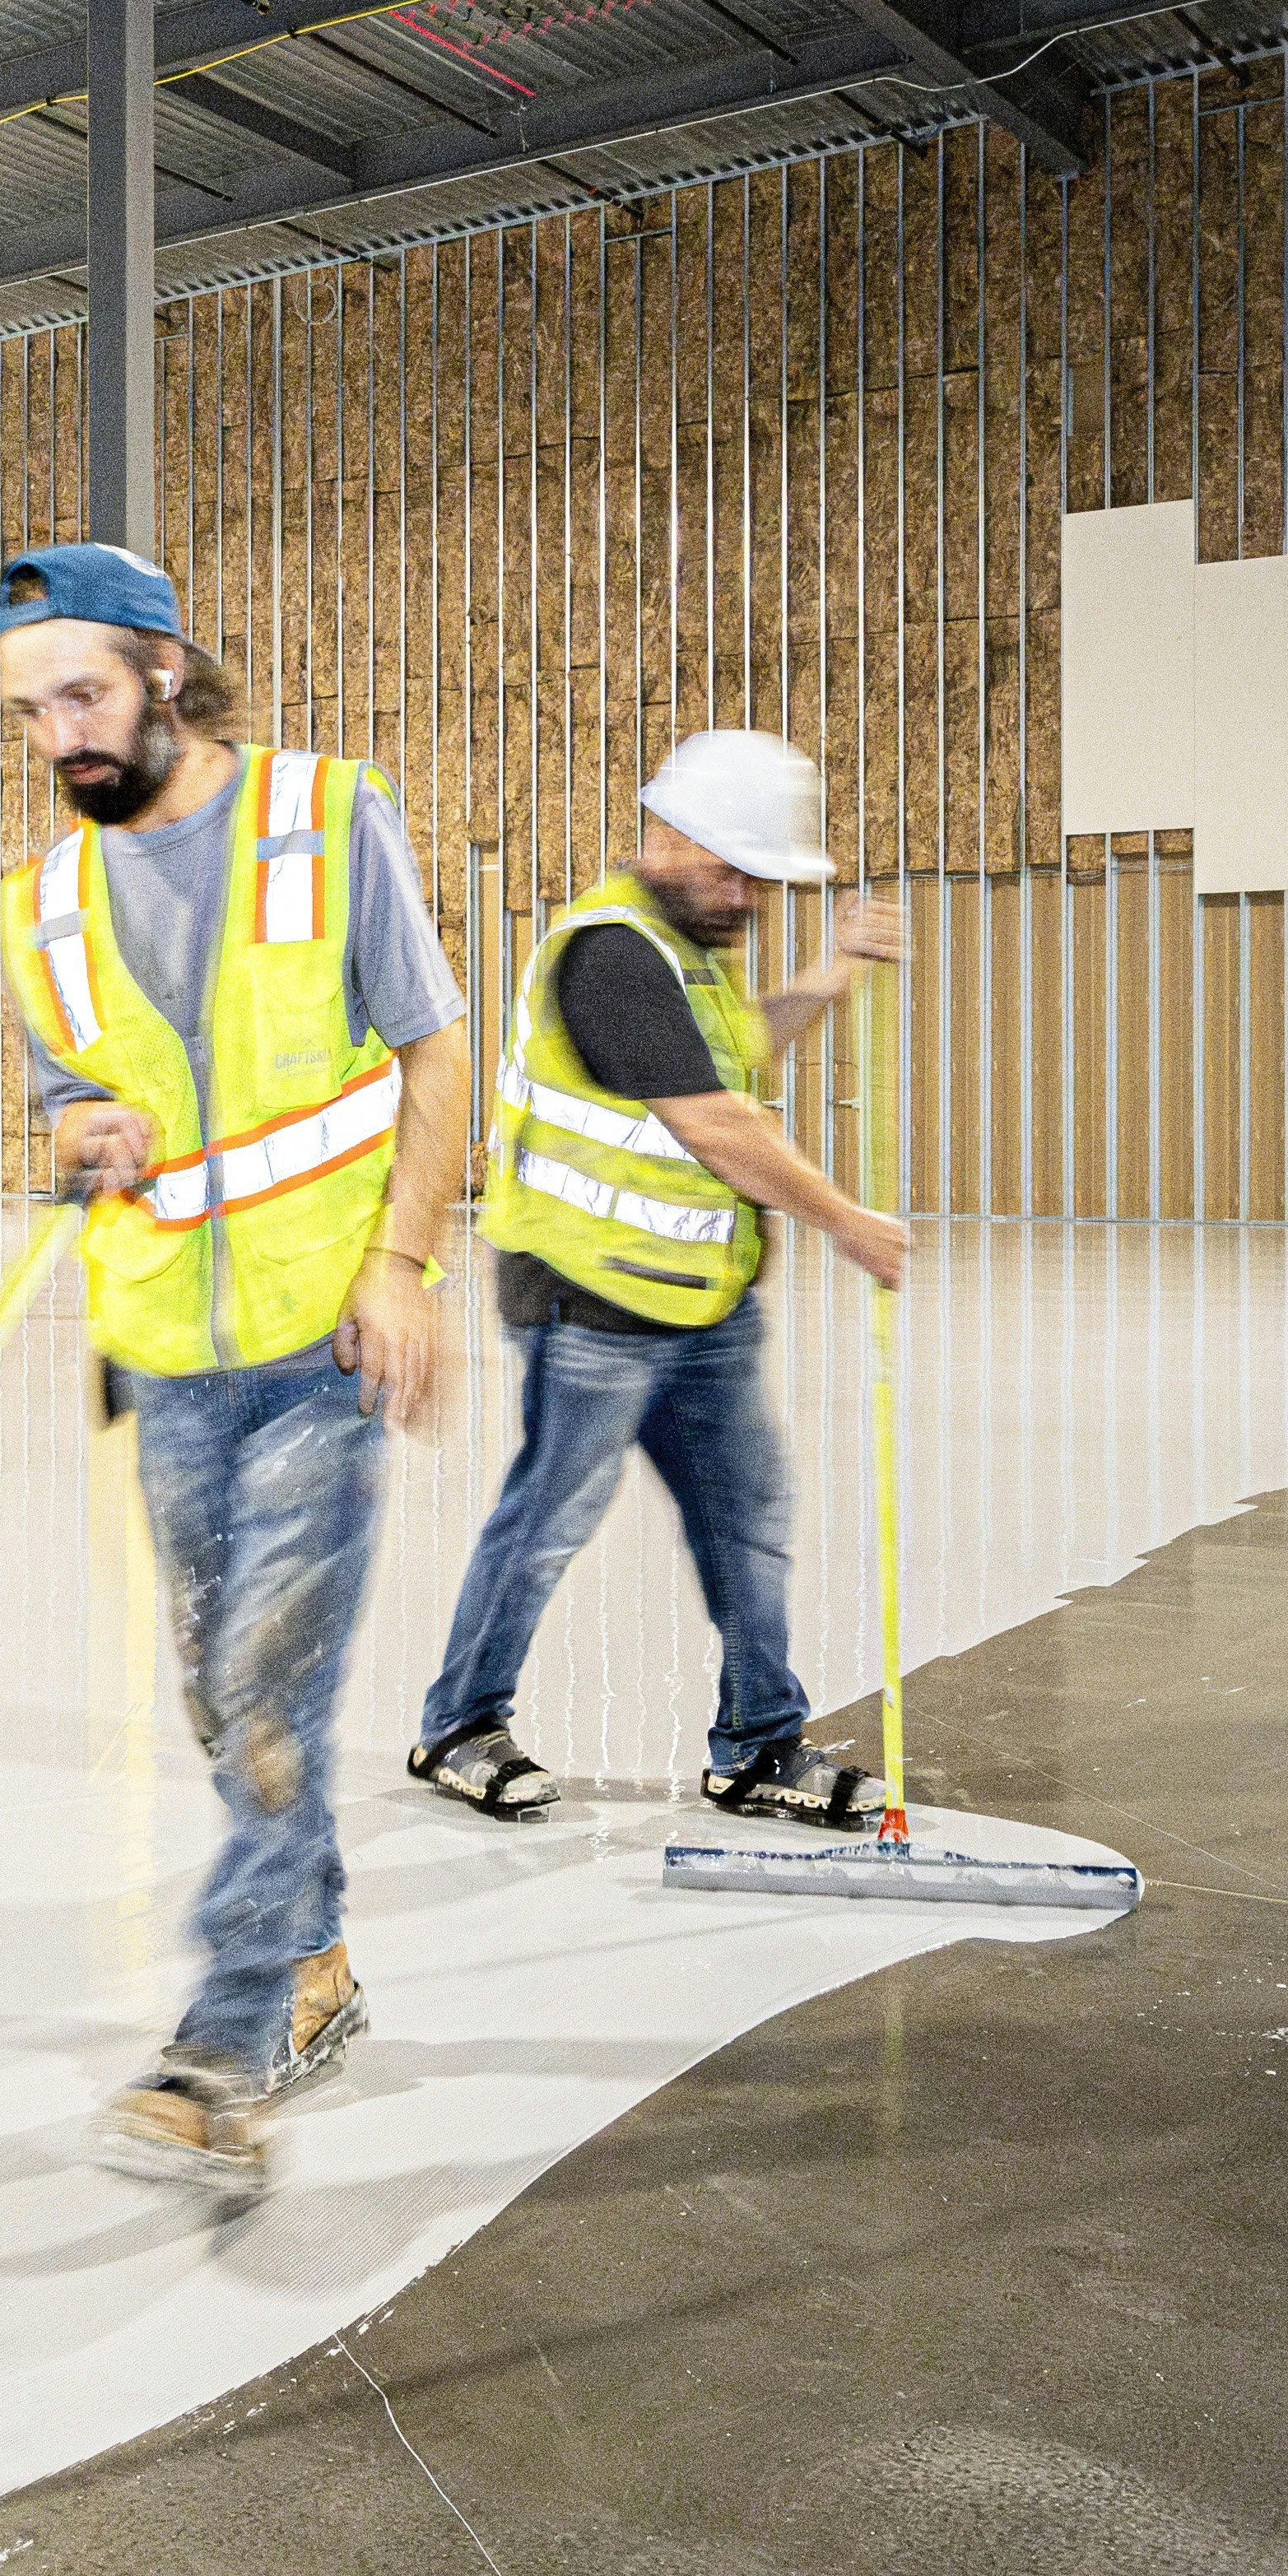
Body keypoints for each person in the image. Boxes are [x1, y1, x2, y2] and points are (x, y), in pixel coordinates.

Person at [0, 542, 471, 2202]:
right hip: (161, 1357)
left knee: (269, 1688)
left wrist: (402, 1264)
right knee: (218, 1691)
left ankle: (227, 2036)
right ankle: (316, 1955)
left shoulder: (327, 818)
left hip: (317, 1337)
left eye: (84, 694)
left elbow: (431, 1042)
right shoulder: (42, 896)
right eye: (31, 710)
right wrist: (75, 1127)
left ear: (165, 671)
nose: (62, 735)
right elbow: (64, 1085)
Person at [400, 728, 912, 1833]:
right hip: (590, 1298)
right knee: (549, 1518)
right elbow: (716, 1124)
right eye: (728, 869)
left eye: (760, 878)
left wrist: (825, 978)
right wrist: (844, 1220)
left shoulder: (695, 950)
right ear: (664, 837)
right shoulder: (613, 951)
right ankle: (458, 1726)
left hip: (698, 1299)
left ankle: (760, 1745)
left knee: (748, 1516)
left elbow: (736, 1057)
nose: (746, 895)